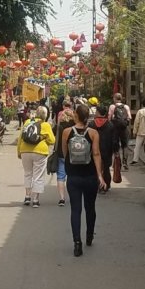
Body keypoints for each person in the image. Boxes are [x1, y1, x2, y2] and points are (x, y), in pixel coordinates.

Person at [60, 103, 106, 257]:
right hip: (90, 176)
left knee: (75, 210)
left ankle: (77, 243)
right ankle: (89, 236)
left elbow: (64, 152)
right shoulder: (93, 133)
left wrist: (70, 164)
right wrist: (100, 176)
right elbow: (96, 154)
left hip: (73, 176)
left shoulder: (66, 132)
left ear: (76, 115)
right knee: (90, 207)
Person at [16, 106, 56, 206]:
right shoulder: (45, 125)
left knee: (27, 173)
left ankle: (27, 196)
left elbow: (20, 138)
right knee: (38, 176)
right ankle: (35, 200)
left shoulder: (27, 122)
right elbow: (52, 140)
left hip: (25, 150)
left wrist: (19, 152)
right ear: (45, 115)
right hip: (40, 152)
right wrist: (43, 138)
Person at [50, 99, 74, 205]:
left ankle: (62, 198)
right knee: (73, 176)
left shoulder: (58, 127)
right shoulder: (75, 127)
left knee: (61, 176)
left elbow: (52, 135)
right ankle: (73, 196)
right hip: (74, 155)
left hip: (60, 153)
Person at [90, 105, 118, 192]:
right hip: (107, 150)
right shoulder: (110, 124)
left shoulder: (92, 124)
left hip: (94, 150)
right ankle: (106, 185)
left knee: (95, 168)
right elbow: (114, 140)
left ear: (98, 112)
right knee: (106, 168)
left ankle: (97, 185)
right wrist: (116, 150)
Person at [108, 92, 132, 171]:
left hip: (115, 128)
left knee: (116, 146)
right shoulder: (126, 107)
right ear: (121, 99)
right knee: (125, 146)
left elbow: (109, 117)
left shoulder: (112, 106)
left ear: (114, 99)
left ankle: (117, 164)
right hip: (124, 128)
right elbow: (129, 117)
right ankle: (125, 163)